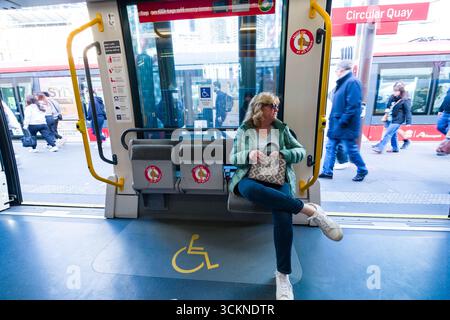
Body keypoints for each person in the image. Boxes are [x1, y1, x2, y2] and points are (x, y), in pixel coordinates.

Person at [229, 92, 343, 300]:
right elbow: (233, 157)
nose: (276, 109)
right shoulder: (245, 130)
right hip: (250, 178)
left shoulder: (282, 129)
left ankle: (283, 276)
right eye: (272, 106)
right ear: (259, 107)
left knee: (283, 215)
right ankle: (311, 211)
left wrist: (283, 153)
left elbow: (300, 151)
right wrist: (249, 155)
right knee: (252, 190)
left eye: (276, 106)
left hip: (278, 178)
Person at [319, 60, 368, 181]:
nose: (335, 72)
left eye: (336, 70)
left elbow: (353, 106)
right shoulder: (344, 83)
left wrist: (342, 122)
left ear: (341, 70)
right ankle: (327, 171)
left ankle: (362, 169)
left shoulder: (352, 82)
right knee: (330, 147)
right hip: (338, 124)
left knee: (350, 149)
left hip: (345, 125)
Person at [372, 83, 412, 153]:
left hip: (398, 120)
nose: (394, 92)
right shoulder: (392, 97)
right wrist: (386, 112)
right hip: (390, 118)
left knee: (388, 133)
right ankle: (395, 148)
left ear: (400, 92)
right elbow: (388, 105)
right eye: (394, 91)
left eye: (396, 91)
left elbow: (408, 111)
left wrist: (408, 122)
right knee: (393, 134)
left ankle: (380, 148)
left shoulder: (405, 100)